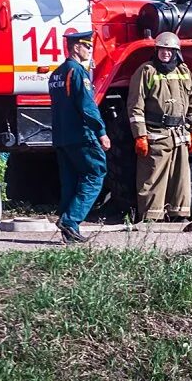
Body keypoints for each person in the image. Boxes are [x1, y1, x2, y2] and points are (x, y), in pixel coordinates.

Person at [127, 32, 192, 224]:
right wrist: (140, 135)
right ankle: (151, 217)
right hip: (156, 133)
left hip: (180, 134)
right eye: (162, 50)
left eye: (170, 50)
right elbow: (135, 106)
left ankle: (179, 214)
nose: (166, 54)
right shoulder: (146, 71)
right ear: (157, 50)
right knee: (152, 176)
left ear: (176, 52)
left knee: (181, 178)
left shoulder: (184, 72)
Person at [48, 30, 111, 244]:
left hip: (61, 137)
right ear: (76, 47)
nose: (90, 50)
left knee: (70, 181)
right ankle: (71, 220)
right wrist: (101, 132)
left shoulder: (56, 74)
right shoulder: (78, 73)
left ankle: (69, 230)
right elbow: (87, 106)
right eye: (87, 46)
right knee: (96, 173)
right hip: (81, 135)